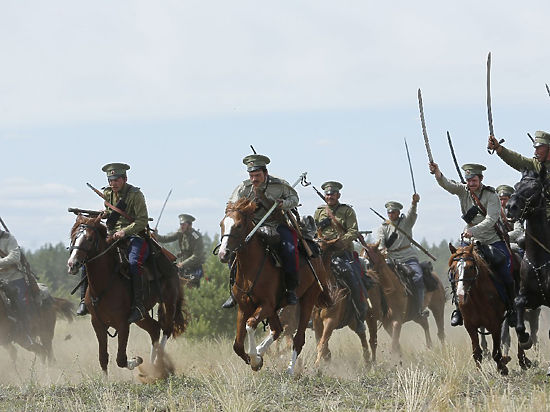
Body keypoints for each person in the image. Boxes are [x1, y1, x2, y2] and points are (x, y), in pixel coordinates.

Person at [429, 162, 515, 327]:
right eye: (468, 180)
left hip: (492, 240)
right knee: (456, 272)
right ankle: (458, 310)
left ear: (480, 179)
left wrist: (474, 230)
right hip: (470, 242)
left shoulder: (491, 195)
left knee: (505, 273)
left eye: (474, 180)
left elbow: (491, 219)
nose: (471, 183)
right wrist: (437, 172)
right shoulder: (463, 191)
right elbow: (447, 184)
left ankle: (511, 309)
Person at [222, 154, 299, 308]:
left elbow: (294, 199)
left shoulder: (279, 185)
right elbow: (230, 205)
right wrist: (240, 207)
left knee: (290, 249)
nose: (254, 179)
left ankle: (290, 289)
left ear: (265, 173)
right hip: (252, 226)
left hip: (276, 225)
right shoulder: (244, 188)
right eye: (251, 175)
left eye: (257, 175)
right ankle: (234, 291)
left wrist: (282, 203)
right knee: (232, 251)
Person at [314, 181, 367, 325]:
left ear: (338, 195)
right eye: (327, 194)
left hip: (341, 252)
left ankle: (359, 311)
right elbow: (314, 230)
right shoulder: (319, 211)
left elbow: (353, 231)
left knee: (351, 276)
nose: (330, 196)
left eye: (332, 194)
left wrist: (341, 242)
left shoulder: (347, 211)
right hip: (322, 252)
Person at [102, 163, 150, 324]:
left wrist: (124, 232)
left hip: (134, 235)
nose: (113, 183)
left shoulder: (136, 194)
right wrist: (105, 214)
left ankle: (138, 305)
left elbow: (142, 220)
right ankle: (85, 301)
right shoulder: (107, 193)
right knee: (89, 255)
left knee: (133, 263)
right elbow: (111, 214)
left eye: (116, 179)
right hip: (112, 235)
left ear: (124, 179)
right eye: (110, 180)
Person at [377, 195, 426, 318]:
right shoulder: (383, 227)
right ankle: (379, 310)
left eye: (393, 212)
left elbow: (412, 213)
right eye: (389, 212)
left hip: (408, 257)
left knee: (418, 277)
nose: (391, 214)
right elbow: (380, 242)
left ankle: (420, 308)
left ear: (398, 212)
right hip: (391, 259)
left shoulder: (406, 222)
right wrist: (383, 251)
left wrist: (414, 203)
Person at [488, 131, 550, 219]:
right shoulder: (536, 164)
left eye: (539, 148)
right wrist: (498, 148)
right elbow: (517, 160)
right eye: (535, 148)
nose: (535, 153)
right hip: (542, 216)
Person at [0, 229, 36, 348]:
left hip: (14, 278)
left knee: (21, 304)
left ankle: (26, 334)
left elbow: (15, 257)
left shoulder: (8, 238)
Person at [157, 214, 206, 287]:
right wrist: (156, 235)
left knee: (191, 284)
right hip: (183, 267)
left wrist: (182, 264)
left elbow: (197, 256)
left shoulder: (196, 236)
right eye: (181, 224)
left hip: (194, 268)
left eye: (183, 224)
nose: (181, 226)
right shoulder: (180, 233)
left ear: (189, 225)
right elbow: (166, 239)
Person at [496, 184, 524, 252]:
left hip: (513, 243)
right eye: (500, 199)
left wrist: (502, 237)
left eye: (505, 199)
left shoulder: (517, 212)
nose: (502, 202)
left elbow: (518, 232)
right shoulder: (494, 212)